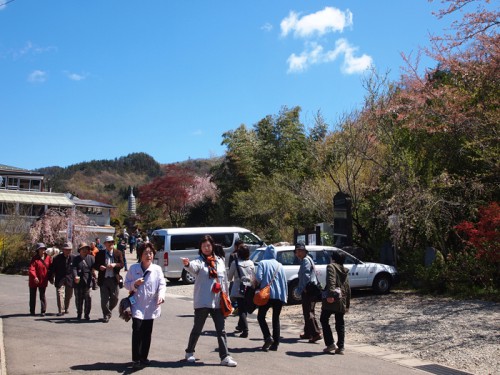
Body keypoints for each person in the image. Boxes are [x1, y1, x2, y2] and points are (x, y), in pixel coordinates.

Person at [181, 235, 237, 367]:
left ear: (212, 246)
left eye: (208, 245)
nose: (206, 248)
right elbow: (192, 268)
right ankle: (189, 352)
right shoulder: (199, 262)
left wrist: (227, 299)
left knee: (221, 330)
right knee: (197, 328)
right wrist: (187, 264)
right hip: (203, 301)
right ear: (200, 248)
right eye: (204, 246)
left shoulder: (220, 261)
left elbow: (224, 282)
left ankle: (225, 356)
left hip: (218, 302)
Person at [124, 241, 166, 369]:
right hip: (137, 304)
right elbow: (126, 284)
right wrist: (134, 284)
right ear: (140, 255)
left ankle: (144, 357)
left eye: (151, 253)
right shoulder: (134, 268)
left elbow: (162, 284)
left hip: (151, 305)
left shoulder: (157, 269)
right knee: (137, 330)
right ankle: (136, 359)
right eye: (146, 253)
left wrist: (161, 296)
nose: (149, 255)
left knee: (147, 332)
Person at [255, 245, 288, 351]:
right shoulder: (280, 265)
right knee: (275, 319)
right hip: (279, 295)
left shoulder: (262, 263)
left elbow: (258, 278)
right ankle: (276, 344)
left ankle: (267, 337)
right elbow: (284, 282)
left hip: (266, 295)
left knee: (261, 317)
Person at [320, 250, 351, 355]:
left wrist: (330, 295)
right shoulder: (344, 270)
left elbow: (331, 280)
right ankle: (341, 347)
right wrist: (347, 304)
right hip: (342, 299)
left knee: (324, 319)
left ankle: (330, 344)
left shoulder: (331, 267)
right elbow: (347, 287)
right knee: (340, 322)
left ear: (333, 258)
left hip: (332, 299)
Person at [295, 242, 322, 342]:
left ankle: (316, 333)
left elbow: (305, 276)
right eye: (297, 251)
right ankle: (307, 332)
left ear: (303, 251)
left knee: (308, 312)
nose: (297, 253)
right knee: (308, 311)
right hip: (310, 289)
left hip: (308, 290)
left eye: (299, 251)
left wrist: (302, 288)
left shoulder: (305, 261)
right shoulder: (307, 259)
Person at [93, 235, 124, 323]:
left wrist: (115, 265)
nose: (110, 244)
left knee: (115, 298)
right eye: (108, 242)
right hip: (104, 279)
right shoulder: (100, 253)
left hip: (114, 279)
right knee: (104, 299)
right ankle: (106, 315)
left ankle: (108, 310)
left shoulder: (118, 253)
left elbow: (122, 264)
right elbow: (95, 265)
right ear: (105, 244)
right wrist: (100, 267)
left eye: (112, 242)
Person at [227, 245, 255, 338]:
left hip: (239, 288)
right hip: (249, 288)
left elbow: (229, 277)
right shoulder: (251, 263)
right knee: (244, 307)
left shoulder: (235, 263)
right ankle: (241, 326)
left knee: (241, 309)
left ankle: (245, 329)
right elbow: (253, 276)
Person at [48, 242, 75, 316]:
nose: (68, 251)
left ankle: (66, 308)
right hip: (60, 279)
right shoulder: (57, 258)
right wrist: (51, 277)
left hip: (70, 279)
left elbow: (76, 268)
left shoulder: (74, 258)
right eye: (66, 250)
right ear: (63, 250)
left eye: (70, 250)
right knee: (60, 294)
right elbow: (53, 269)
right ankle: (61, 310)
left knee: (69, 295)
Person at [72, 242, 96, 320]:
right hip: (78, 282)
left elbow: (94, 267)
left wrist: (94, 273)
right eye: (83, 249)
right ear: (80, 250)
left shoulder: (91, 258)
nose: (85, 250)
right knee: (78, 299)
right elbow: (74, 268)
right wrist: (75, 276)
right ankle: (79, 313)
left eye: (86, 249)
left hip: (88, 281)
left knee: (88, 298)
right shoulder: (76, 259)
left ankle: (87, 314)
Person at [28, 243, 52, 316]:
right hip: (34, 280)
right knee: (32, 295)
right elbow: (31, 269)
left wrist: (51, 277)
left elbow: (50, 268)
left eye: (43, 249)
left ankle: (43, 311)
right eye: (40, 249)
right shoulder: (34, 258)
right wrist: (34, 277)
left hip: (43, 279)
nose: (42, 250)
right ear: (37, 250)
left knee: (42, 295)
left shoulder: (48, 258)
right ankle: (32, 311)